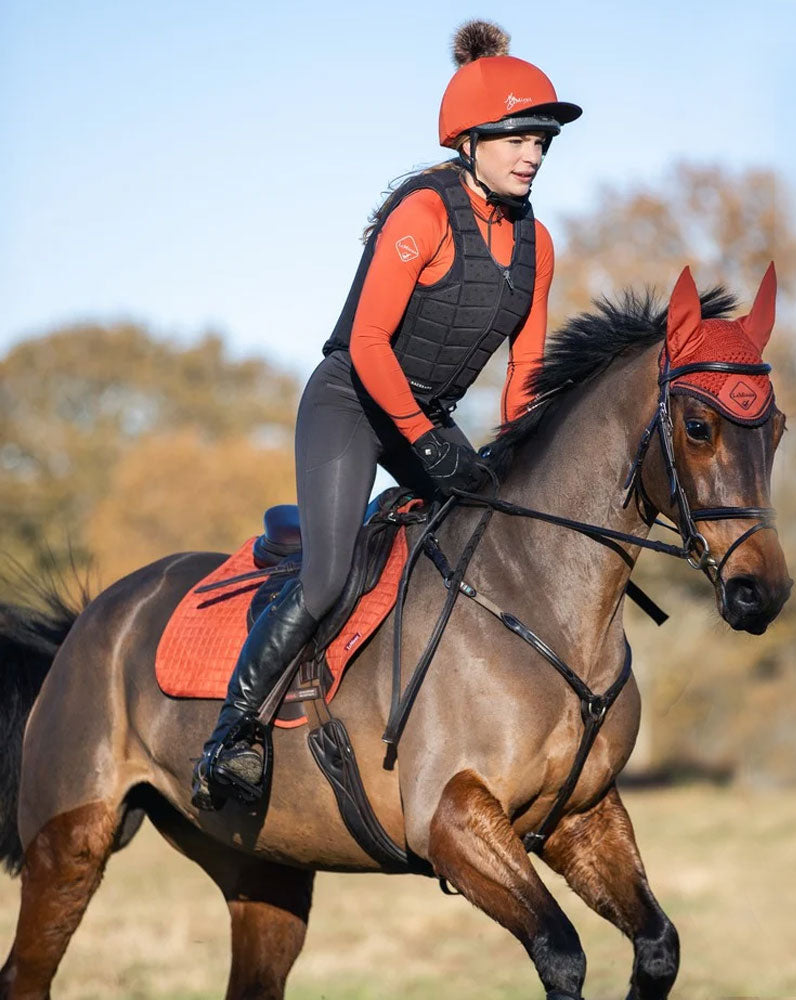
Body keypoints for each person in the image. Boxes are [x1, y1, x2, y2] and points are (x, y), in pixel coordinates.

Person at [191, 19, 582, 809]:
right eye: (516, 137)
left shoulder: (537, 243)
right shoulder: (424, 214)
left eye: (542, 139)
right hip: (350, 403)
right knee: (330, 573)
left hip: (424, 417)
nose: (533, 153)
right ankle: (231, 734)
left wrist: (519, 462)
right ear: (470, 140)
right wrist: (427, 443)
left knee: (489, 542)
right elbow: (368, 343)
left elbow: (525, 375)